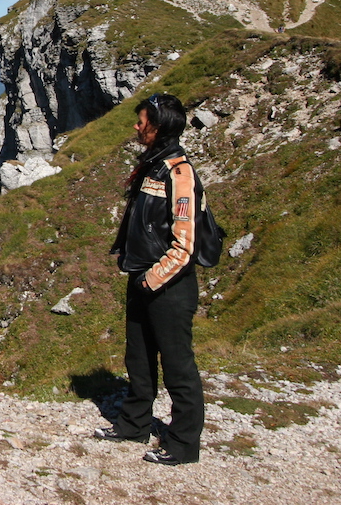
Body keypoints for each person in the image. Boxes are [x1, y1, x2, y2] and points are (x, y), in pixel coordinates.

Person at [93, 92, 204, 465]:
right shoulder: (153, 165)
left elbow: (185, 242)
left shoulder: (179, 172)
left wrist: (152, 279)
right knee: (138, 359)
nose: (136, 127)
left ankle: (183, 444)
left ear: (158, 127)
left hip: (169, 286)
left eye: (142, 122)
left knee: (177, 366)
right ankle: (133, 425)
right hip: (142, 277)